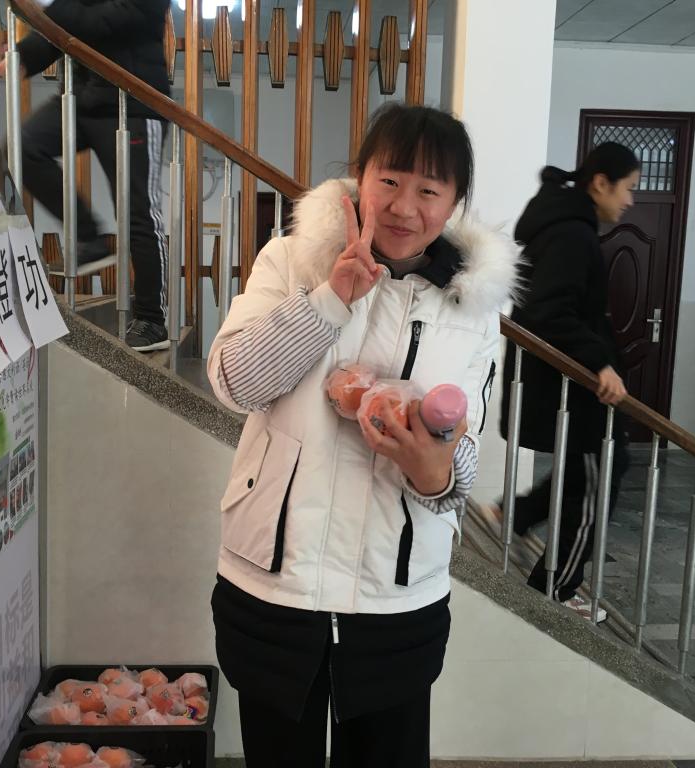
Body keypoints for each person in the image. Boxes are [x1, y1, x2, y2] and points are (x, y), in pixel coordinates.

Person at [206, 104, 518, 767]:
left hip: (394, 596)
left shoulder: (474, 310)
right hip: (276, 585)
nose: (404, 207)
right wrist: (330, 299)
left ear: (454, 203)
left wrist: (433, 469)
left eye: (429, 190)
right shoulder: (291, 259)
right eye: (390, 181)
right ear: (360, 176)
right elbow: (234, 383)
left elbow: (462, 459)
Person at [488, 143, 638, 622]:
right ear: (601, 183)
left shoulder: (564, 227)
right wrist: (599, 363)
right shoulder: (572, 234)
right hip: (572, 390)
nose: (630, 200)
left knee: (585, 473)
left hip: (563, 389)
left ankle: (519, 515)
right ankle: (554, 590)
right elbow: (550, 313)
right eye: (628, 188)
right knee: (599, 477)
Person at [0, 0, 173, 352]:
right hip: (84, 99)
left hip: (135, 104)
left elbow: (104, 21)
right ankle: (88, 238)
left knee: (138, 214)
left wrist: (48, 8)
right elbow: (60, 32)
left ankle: (152, 320)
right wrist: (22, 57)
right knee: (23, 147)